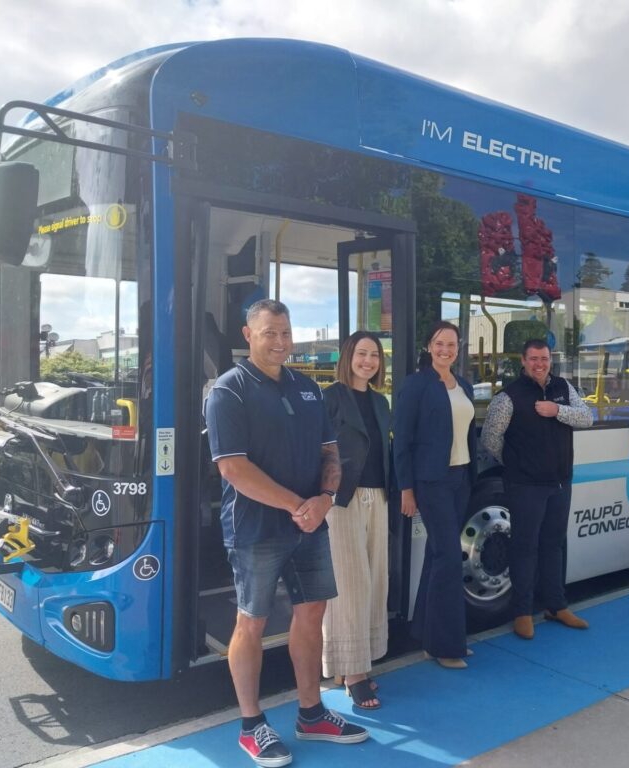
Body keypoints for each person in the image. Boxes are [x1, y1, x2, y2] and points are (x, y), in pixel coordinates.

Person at [204, 299, 368, 768]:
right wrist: (299, 505)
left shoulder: (308, 388)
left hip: (310, 522)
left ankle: (311, 713)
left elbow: (329, 452)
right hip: (257, 528)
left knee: (311, 612)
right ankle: (251, 724)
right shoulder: (229, 391)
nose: (280, 342)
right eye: (269, 332)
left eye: (286, 333)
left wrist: (324, 500)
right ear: (247, 334)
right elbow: (234, 469)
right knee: (251, 623)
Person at [480, 339, 593, 640]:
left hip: (559, 482)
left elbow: (587, 418)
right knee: (524, 548)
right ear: (523, 360)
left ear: (550, 359)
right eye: (533, 358)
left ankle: (556, 606)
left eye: (544, 358)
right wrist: (517, 463)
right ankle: (522, 612)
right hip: (525, 486)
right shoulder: (508, 397)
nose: (539, 363)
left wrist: (556, 409)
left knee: (553, 545)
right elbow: (491, 439)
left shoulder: (564, 389)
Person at [394, 321, 476, 669]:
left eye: (452, 344)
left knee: (436, 556)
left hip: (461, 477)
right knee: (448, 558)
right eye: (440, 343)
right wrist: (406, 489)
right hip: (432, 483)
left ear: (459, 348)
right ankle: (446, 645)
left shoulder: (465, 386)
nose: (446, 350)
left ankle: (426, 635)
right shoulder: (416, 386)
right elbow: (403, 442)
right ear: (429, 347)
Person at [321, 331, 392, 710]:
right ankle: (353, 673)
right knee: (351, 586)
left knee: (375, 581)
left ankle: (358, 661)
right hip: (343, 501)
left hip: (378, 497)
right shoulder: (329, 397)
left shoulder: (381, 403)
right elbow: (316, 449)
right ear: (348, 356)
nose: (368, 361)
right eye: (362, 353)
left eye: (375, 355)